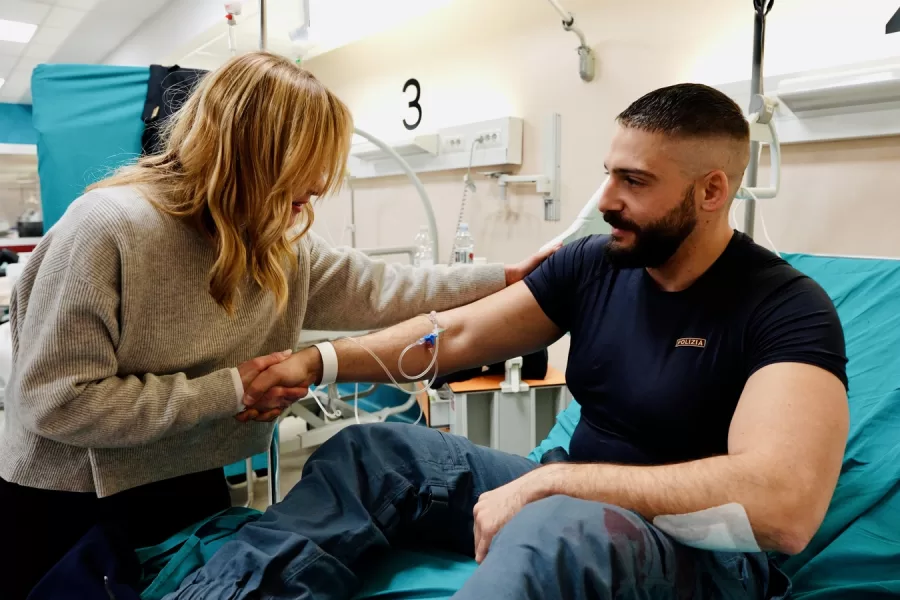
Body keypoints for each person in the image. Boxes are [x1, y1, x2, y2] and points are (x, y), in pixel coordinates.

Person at [169, 83, 850, 600]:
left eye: (634, 182)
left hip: (697, 551)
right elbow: (458, 332)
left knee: (555, 527)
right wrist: (316, 362)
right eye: (609, 173)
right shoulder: (597, 264)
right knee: (374, 452)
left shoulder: (785, 308)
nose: (605, 199)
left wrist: (557, 481)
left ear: (711, 191)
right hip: (571, 499)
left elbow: (784, 507)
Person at [0, 51, 554, 599]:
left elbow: (381, 288)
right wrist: (231, 390)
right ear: (249, 152)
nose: (318, 185)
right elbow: (57, 401)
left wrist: (506, 278)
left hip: (190, 478)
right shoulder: (106, 230)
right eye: (308, 163)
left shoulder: (268, 241)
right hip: (73, 501)